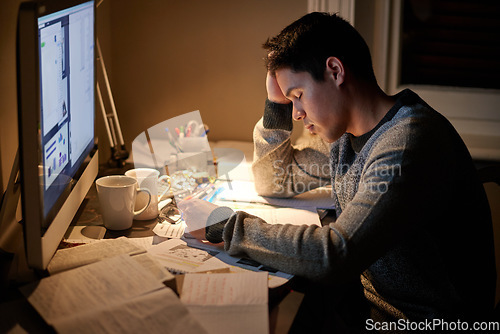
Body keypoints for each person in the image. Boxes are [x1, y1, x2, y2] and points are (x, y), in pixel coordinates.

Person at [179, 12, 496, 331]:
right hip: (366, 307)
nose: (298, 113)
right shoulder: (348, 137)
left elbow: (334, 255)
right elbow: (275, 179)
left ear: (334, 71)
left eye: (298, 96)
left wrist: (227, 228)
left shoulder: (407, 144)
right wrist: (276, 102)